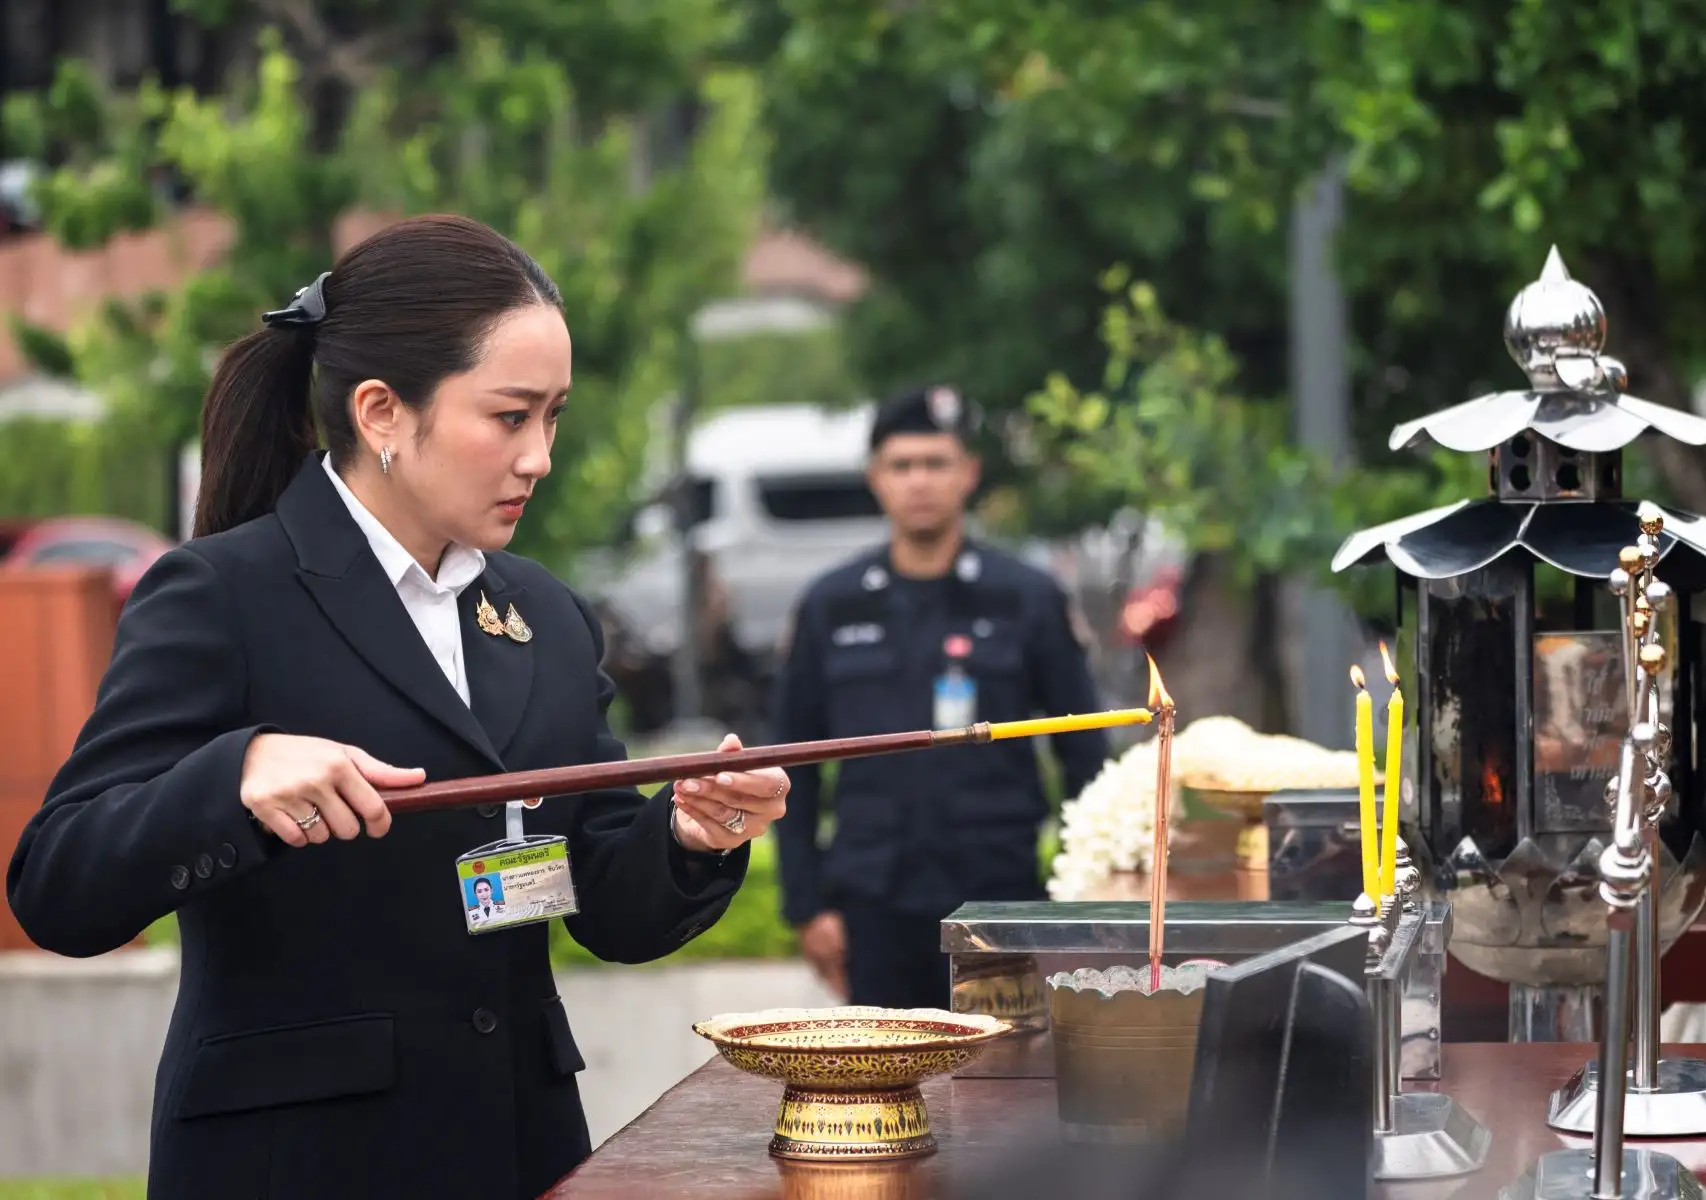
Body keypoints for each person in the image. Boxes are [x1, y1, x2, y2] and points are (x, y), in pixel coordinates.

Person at [4, 214, 790, 1200]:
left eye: (555, 416)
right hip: (299, 1163)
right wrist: (235, 776)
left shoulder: (543, 613)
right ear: (381, 413)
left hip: (521, 1148)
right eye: (510, 417)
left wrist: (688, 834)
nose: (540, 455)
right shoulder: (222, 595)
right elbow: (58, 887)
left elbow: (597, 896)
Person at [772, 385, 1108, 1009]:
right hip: (873, 905)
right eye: (902, 466)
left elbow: (1084, 752)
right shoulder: (832, 605)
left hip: (1000, 899)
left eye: (936, 463)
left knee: (1005, 1093)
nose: (919, 481)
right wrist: (805, 906)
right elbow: (793, 765)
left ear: (969, 474)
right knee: (886, 1091)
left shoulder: (1027, 598)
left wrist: (1087, 894)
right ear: (876, 478)